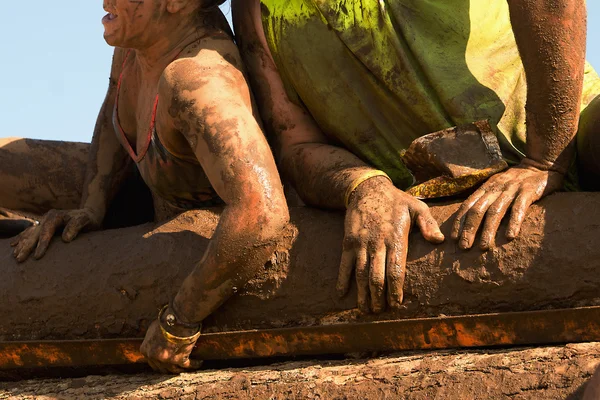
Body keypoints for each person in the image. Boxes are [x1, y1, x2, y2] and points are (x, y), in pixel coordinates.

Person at [232, 0, 600, 314]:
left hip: (573, 135)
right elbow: (295, 144)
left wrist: (545, 158)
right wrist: (362, 185)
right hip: (429, 198)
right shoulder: (255, 10)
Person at [2, 0, 289, 374]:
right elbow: (111, 114)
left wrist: (179, 321)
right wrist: (92, 206)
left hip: (182, 228)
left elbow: (262, 212)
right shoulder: (136, 38)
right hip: (141, 185)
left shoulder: (198, 82)